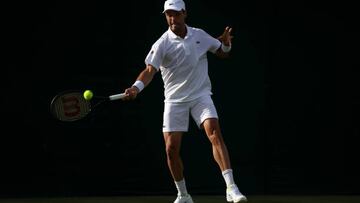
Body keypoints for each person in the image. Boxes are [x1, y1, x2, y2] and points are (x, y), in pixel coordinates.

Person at [123, 0, 247, 202]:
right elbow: (149, 71)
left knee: (214, 131)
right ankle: (183, 195)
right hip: (174, 100)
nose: (172, 18)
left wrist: (226, 43)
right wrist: (136, 87)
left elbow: (222, 53)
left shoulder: (199, 34)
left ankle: (231, 188)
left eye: (176, 14)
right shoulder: (161, 43)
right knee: (171, 149)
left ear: (184, 14)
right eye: (168, 14)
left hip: (200, 95)